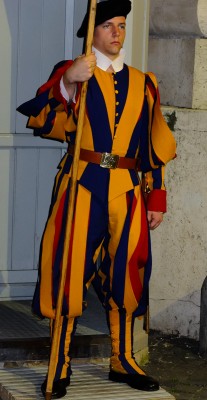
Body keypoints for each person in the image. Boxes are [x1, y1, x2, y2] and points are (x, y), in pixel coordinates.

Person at [17, 0, 176, 398]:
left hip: (127, 187)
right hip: (82, 183)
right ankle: (60, 363)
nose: (117, 33)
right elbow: (45, 118)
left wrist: (156, 195)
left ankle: (122, 359)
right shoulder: (73, 73)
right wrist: (69, 81)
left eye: (121, 25)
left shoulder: (145, 82)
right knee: (68, 271)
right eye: (107, 26)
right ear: (92, 32)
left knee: (128, 271)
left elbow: (151, 147)